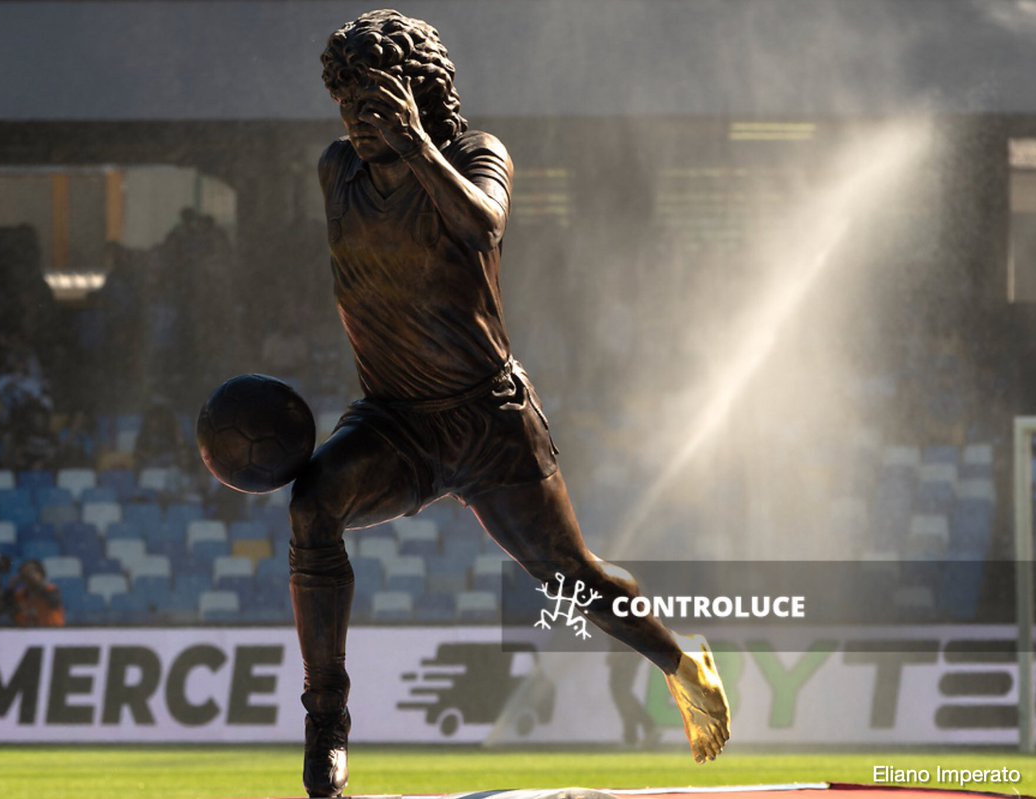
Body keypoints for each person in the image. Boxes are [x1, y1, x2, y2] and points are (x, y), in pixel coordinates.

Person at [289, 11, 730, 797]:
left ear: (419, 95)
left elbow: (481, 225)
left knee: (571, 575)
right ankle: (327, 718)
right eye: (346, 101)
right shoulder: (337, 171)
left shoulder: (475, 154)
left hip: (487, 419)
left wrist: (417, 146)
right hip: (394, 421)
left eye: (374, 98)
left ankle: (681, 660)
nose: (356, 116)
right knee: (312, 505)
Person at [8, 560, 65, 627]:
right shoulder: (20, 595)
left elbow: (53, 602)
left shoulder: (50, 590)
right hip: (26, 631)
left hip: (51, 630)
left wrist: (39, 584)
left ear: (41, 574)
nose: (30, 576)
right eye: (26, 574)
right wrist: (11, 589)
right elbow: (10, 610)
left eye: (33, 572)